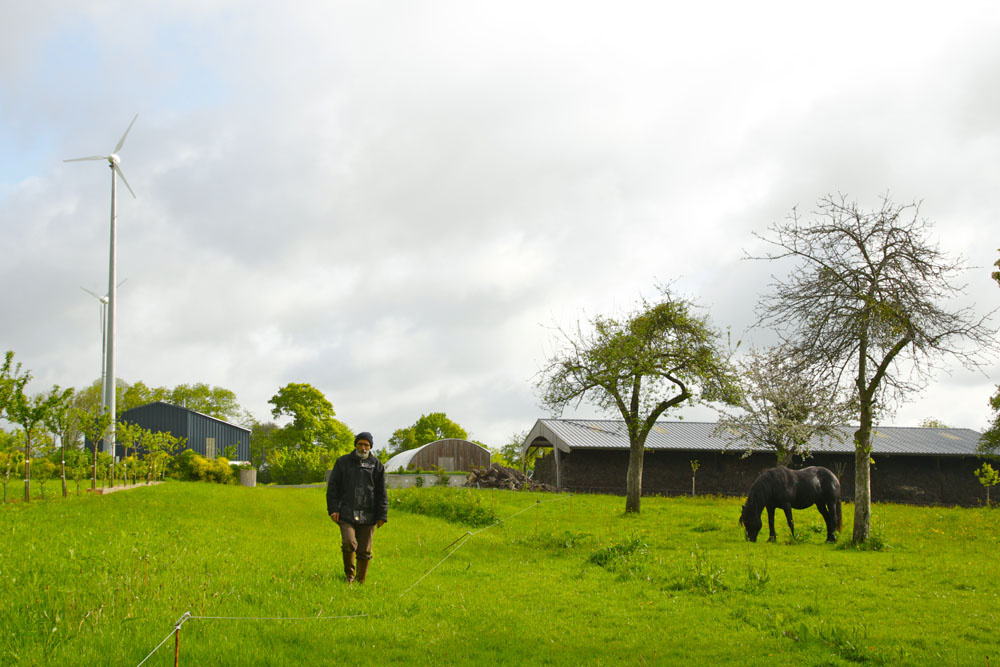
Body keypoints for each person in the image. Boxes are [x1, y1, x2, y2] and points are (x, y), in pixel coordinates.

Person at [326, 432, 388, 584]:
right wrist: (333, 509)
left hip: (369, 514)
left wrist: (382, 515)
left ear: (370, 447)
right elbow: (333, 487)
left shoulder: (377, 465)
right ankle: (349, 576)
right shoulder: (343, 462)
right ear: (355, 445)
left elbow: (382, 492)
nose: (363, 447)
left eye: (366, 445)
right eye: (360, 444)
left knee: (364, 551)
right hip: (346, 512)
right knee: (349, 543)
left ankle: (360, 581)